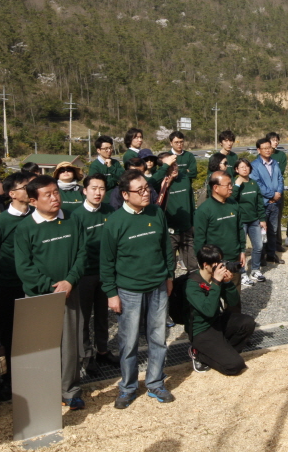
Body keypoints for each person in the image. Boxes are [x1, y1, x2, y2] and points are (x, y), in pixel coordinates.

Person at [100, 170, 176, 409]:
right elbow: (107, 262)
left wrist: (170, 276)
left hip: (158, 286)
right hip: (129, 290)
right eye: (140, 190)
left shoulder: (156, 213)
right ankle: (128, 387)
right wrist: (111, 293)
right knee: (129, 341)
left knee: (158, 337)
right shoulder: (115, 222)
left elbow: (166, 247)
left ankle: (155, 382)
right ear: (125, 194)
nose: (147, 193)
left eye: (147, 188)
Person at [14, 175, 86, 410]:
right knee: (42, 349)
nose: (55, 198)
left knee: (70, 346)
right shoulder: (25, 228)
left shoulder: (72, 220)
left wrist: (70, 282)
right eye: (48, 194)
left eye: (56, 192)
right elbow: (24, 268)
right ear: (33, 201)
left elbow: (82, 254)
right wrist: (51, 287)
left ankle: (70, 390)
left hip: (70, 293)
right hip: (40, 298)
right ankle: (43, 394)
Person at [0, 170, 35, 401]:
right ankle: (9, 380)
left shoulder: (37, 216)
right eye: (26, 187)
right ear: (12, 193)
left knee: (33, 334)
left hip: (34, 286)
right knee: (9, 335)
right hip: (8, 287)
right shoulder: (0, 223)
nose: (31, 190)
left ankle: (34, 376)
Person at [70, 173, 118, 375]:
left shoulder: (109, 211)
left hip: (106, 272)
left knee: (102, 315)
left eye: (101, 189)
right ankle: (86, 357)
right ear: (84, 190)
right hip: (85, 275)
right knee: (83, 318)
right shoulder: (76, 216)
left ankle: (103, 350)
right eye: (93, 188)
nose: (98, 193)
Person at [186, 245, 257, 375]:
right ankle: (199, 355)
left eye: (221, 261)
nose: (221, 266)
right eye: (217, 263)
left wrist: (228, 283)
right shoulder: (192, 284)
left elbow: (233, 302)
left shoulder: (216, 278)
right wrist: (216, 283)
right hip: (202, 330)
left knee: (247, 322)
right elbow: (209, 311)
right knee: (235, 366)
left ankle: (223, 352)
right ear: (206, 265)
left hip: (217, 322)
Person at [151, 131, 197, 270]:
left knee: (193, 266)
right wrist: (166, 175)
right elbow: (150, 183)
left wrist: (193, 223)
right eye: (170, 166)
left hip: (187, 229)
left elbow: (191, 202)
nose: (174, 168)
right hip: (170, 232)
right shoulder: (159, 182)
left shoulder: (184, 178)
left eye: (175, 164)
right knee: (169, 267)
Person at [194, 171, 245, 290]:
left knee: (234, 295)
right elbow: (199, 239)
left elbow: (240, 229)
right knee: (213, 296)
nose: (231, 187)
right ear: (215, 188)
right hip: (214, 262)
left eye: (231, 184)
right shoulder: (204, 210)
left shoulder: (234, 204)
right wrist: (203, 264)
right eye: (227, 185)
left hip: (233, 258)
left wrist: (242, 250)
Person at [232, 159, 267, 285]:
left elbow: (259, 202)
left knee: (258, 246)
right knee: (241, 249)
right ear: (236, 169)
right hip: (241, 221)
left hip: (254, 220)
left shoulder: (253, 183)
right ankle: (241, 273)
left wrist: (262, 219)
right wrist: (236, 185)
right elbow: (231, 199)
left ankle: (255, 270)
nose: (245, 169)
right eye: (241, 167)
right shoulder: (235, 183)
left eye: (246, 166)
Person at [250, 137, 285, 265]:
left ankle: (271, 254)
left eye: (269, 148)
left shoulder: (275, 163)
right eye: (264, 148)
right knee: (261, 231)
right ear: (258, 150)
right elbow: (257, 184)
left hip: (275, 203)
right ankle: (261, 256)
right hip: (263, 203)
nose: (267, 150)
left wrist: (279, 193)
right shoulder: (254, 166)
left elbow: (280, 179)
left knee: (273, 231)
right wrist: (272, 195)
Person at [266, 132, 288, 249]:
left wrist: (277, 193)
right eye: (273, 140)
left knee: (278, 218)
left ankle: (278, 243)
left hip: (278, 192)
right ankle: (267, 245)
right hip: (266, 194)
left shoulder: (281, 155)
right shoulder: (262, 156)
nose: (276, 142)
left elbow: (279, 174)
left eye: (277, 140)